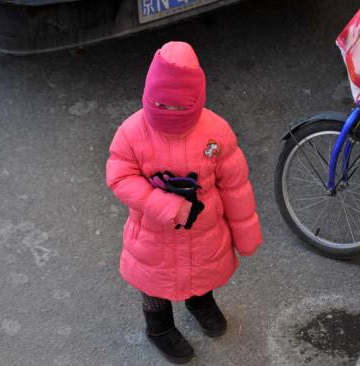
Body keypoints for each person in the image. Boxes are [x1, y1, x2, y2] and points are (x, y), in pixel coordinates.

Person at [105, 41, 263, 364]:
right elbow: (119, 176)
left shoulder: (216, 132)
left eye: (179, 106)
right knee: (154, 282)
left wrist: (245, 235)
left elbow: (235, 186)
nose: (172, 113)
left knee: (200, 271)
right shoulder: (132, 132)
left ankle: (199, 302)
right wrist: (162, 204)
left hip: (202, 232)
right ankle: (159, 327)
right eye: (163, 105)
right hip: (152, 234)